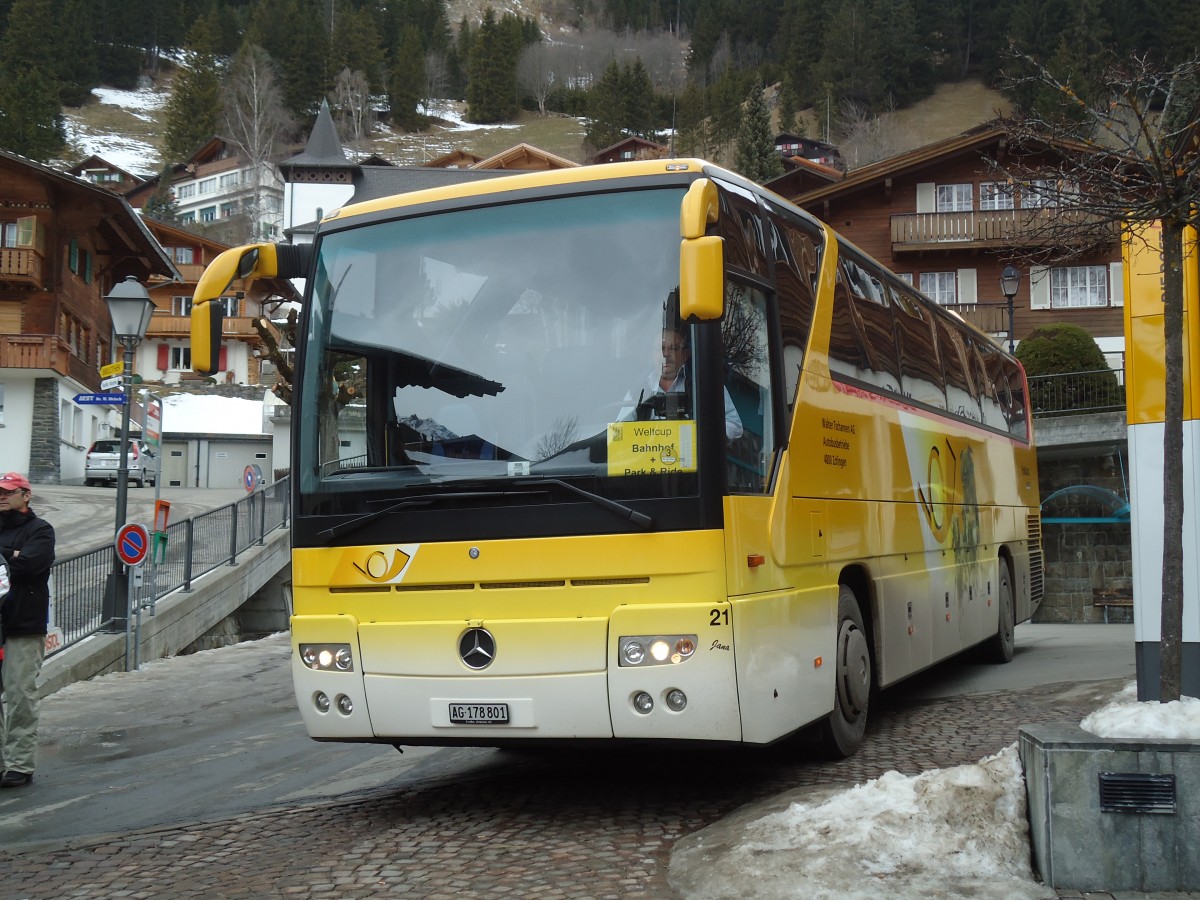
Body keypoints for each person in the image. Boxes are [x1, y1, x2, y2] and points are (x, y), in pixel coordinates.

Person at [0, 472, 55, 788]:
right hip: (0, 624)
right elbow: (15, 563)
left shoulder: (41, 531)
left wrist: (10, 558)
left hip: (23, 626)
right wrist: (13, 556)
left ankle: (20, 764)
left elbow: (30, 565)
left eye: (8, 492)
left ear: (26, 495)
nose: (2, 496)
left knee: (20, 694)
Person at [628, 327, 743, 441]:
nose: (666, 354)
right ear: (652, 355)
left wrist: (700, 433)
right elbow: (621, 428)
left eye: (673, 348)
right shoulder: (638, 390)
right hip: (647, 457)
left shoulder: (706, 385)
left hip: (693, 457)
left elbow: (734, 425)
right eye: (660, 349)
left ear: (685, 354)